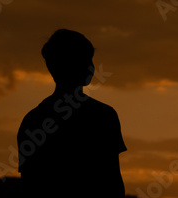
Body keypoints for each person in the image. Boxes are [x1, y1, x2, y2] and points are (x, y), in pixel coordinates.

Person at [17, 29, 126, 197]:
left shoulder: (33, 119)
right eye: (86, 60)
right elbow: (112, 182)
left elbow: (29, 186)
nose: (92, 67)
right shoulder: (103, 116)